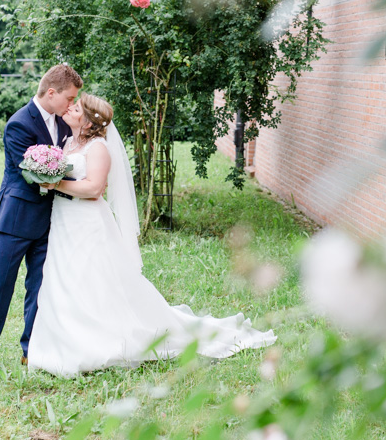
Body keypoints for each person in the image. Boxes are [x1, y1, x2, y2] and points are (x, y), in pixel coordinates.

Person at [27, 93, 276, 377]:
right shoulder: (67, 142)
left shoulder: (98, 148)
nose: (70, 108)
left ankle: (96, 343)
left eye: (76, 108)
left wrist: (55, 183)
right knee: (63, 277)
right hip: (63, 220)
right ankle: (62, 343)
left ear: (88, 121)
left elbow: (95, 189)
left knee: (89, 278)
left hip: (87, 223)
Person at [0, 64, 82, 376]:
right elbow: (30, 174)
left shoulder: (64, 122)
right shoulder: (19, 123)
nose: (72, 104)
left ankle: (31, 350)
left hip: (51, 220)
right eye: (69, 98)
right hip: (17, 218)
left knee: (39, 287)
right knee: (0, 285)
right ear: (51, 93)